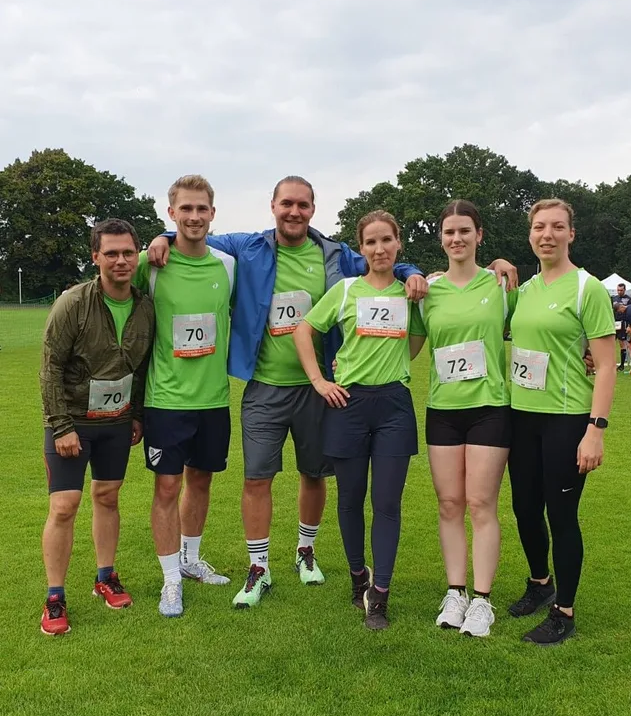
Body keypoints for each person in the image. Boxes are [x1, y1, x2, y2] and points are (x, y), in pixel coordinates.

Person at [147, 177, 515, 609]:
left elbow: (382, 259)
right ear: (273, 206)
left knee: (314, 474)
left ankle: (306, 551)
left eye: (303, 205)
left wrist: (412, 271)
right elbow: (196, 232)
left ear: (313, 209)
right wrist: (162, 236)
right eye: (287, 203)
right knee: (256, 478)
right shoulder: (247, 247)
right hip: (264, 384)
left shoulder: (334, 254)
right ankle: (259, 567)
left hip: (320, 390)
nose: (294, 211)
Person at [293, 211, 426, 631]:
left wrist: (395, 362)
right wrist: (319, 381)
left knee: (387, 503)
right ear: (361, 248)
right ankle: (357, 577)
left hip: (394, 406)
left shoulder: (411, 293)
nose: (379, 249)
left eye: (386, 240)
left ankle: (380, 594)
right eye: (371, 242)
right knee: (350, 498)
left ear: (398, 243)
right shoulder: (346, 289)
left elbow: (418, 337)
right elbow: (303, 330)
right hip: (348, 404)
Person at [506, 199, 616, 645]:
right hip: (521, 416)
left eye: (556, 227)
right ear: (530, 234)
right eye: (539, 227)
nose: (546, 234)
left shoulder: (588, 289)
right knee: (524, 508)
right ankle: (540, 583)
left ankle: (564, 611)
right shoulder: (526, 289)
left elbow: (605, 365)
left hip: (566, 419)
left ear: (571, 233)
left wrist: (595, 430)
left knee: (562, 514)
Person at [39, 219, 155, 635]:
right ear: (95, 257)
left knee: (107, 497)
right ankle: (55, 597)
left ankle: (106, 577)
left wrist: (136, 414)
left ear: (137, 255)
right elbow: (50, 367)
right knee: (64, 506)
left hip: (117, 421)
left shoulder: (146, 307)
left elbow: (142, 367)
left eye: (128, 253)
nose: (121, 260)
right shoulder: (72, 303)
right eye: (111, 253)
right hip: (72, 421)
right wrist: (61, 426)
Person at [135, 175, 235, 618]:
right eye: (186, 209)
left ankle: (191, 560)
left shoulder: (228, 266)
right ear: (171, 212)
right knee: (167, 487)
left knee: (201, 481)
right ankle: (170, 580)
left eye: (202, 209)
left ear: (213, 213)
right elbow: (111, 279)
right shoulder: (151, 263)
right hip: (166, 399)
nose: (194, 217)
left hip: (213, 399)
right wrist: (158, 239)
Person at [415, 201, 512, 638]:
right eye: (449, 232)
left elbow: (537, 323)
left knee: (480, 503)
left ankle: (482, 600)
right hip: (443, 411)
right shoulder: (428, 291)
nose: (457, 239)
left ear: (479, 235)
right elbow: (406, 345)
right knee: (449, 503)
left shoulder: (501, 284)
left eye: (465, 231)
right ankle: (455, 592)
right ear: (441, 238)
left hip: (490, 407)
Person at [611, 283, 631, 371]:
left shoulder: (629, 299)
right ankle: (609, 363)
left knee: (622, 343)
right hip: (614, 323)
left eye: (621, 290)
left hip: (623, 323)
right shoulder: (614, 298)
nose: (619, 292)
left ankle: (622, 365)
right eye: (618, 290)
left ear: (625, 290)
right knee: (610, 343)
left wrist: (629, 325)